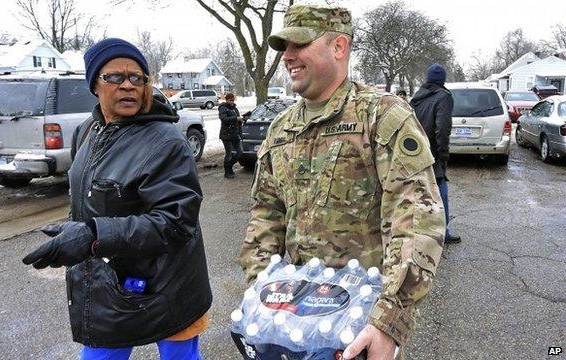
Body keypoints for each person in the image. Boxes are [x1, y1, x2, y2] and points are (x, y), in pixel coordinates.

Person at [238, 5, 445, 360]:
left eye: (299, 44)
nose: (287, 56)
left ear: (338, 47)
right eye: (283, 46)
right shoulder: (281, 129)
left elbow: (416, 219)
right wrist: (262, 295)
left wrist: (388, 322)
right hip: (293, 319)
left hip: (358, 323)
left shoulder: (380, 116)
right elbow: (265, 217)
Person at [22, 38, 212, 360]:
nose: (128, 85)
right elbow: (89, 196)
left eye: (136, 77)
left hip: (170, 284)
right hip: (112, 280)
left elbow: (176, 222)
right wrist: (76, 230)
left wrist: (93, 235)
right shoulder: (87, 131)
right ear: (94, 84)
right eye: (115, 77)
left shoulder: (167, 141)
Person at [410, 63, 461, 243]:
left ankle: (420, 230)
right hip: (433, 155)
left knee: (419, 193)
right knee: (440, 194)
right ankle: (442, 233)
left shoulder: (417, 97)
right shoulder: (444, 97)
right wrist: (443, 156)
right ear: (443, 80)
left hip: (415, 153)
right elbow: (442, 129)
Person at [218, 92, 243, 178]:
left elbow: (238, 121)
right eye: (230, 100)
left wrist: (242, 120)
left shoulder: (235, 109)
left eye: (233, 100)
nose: (232, 102)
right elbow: (223, 119)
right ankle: (227, 171)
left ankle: (230, 166)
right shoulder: (223, 108)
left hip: (235, 134)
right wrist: (235, 118)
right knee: (229, 153)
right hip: (226, 134)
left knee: (239, 152)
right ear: (226, 100)